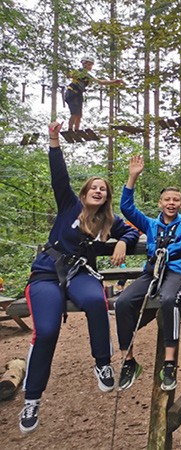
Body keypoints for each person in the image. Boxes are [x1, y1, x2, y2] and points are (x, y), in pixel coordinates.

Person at [19, 122, 139, 433]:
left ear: (106, 197)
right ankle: (32, 398)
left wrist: (123, 241)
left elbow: (131, 231)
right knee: (46, 331)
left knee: (96, 302)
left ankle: (102, 363)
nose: (98, 191)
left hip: (81, 275)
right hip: (47, 274)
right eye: (93, 187)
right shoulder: (69, 206)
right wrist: (54, 141)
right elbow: (59, 175)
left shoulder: (109, 220)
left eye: (103, 189)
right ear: (84, 193)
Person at [115, 155, 181, 391]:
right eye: (167, 199)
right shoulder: (150, 225)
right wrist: (132, 177)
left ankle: (170, 363)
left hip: (175, 271)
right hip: (152, 272)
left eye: (176, 200)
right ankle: (128, 360)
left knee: (168, 299)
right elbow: (127, 208)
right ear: (160, 203)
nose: (171, 203)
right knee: (122, 302)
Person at [64, 56, 124, 132]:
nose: (90, 67)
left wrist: (114, 81)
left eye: (91, 65)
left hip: (78, 94)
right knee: (74, 113)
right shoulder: (78, 71)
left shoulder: (88, 76)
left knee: (79, 115)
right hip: (72, 93)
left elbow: (100, 82)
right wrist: (71, 73)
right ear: (84, 64)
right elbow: (69, 75)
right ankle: (70, 129)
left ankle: (77, 130)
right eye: (89, 64)